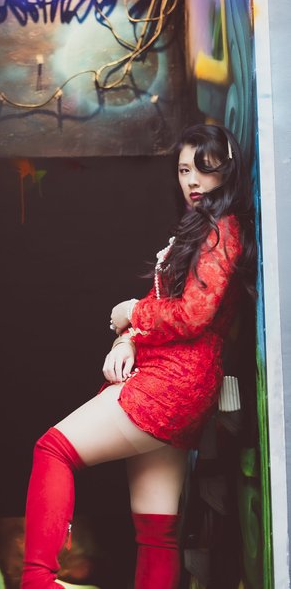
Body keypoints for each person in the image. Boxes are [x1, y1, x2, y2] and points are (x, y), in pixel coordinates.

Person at [20, 123, 256, 589]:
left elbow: (192, 315)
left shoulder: (221, 230)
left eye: (204, 169)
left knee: (53, 449)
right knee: (156, 531)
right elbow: (173, 309)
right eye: (184, 170)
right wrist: (127, 339)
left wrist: (132, 312)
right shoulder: (206, 229)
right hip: (186, 385)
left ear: (226, 172)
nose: (192, 181)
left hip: (170, 381)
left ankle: (37, 582)